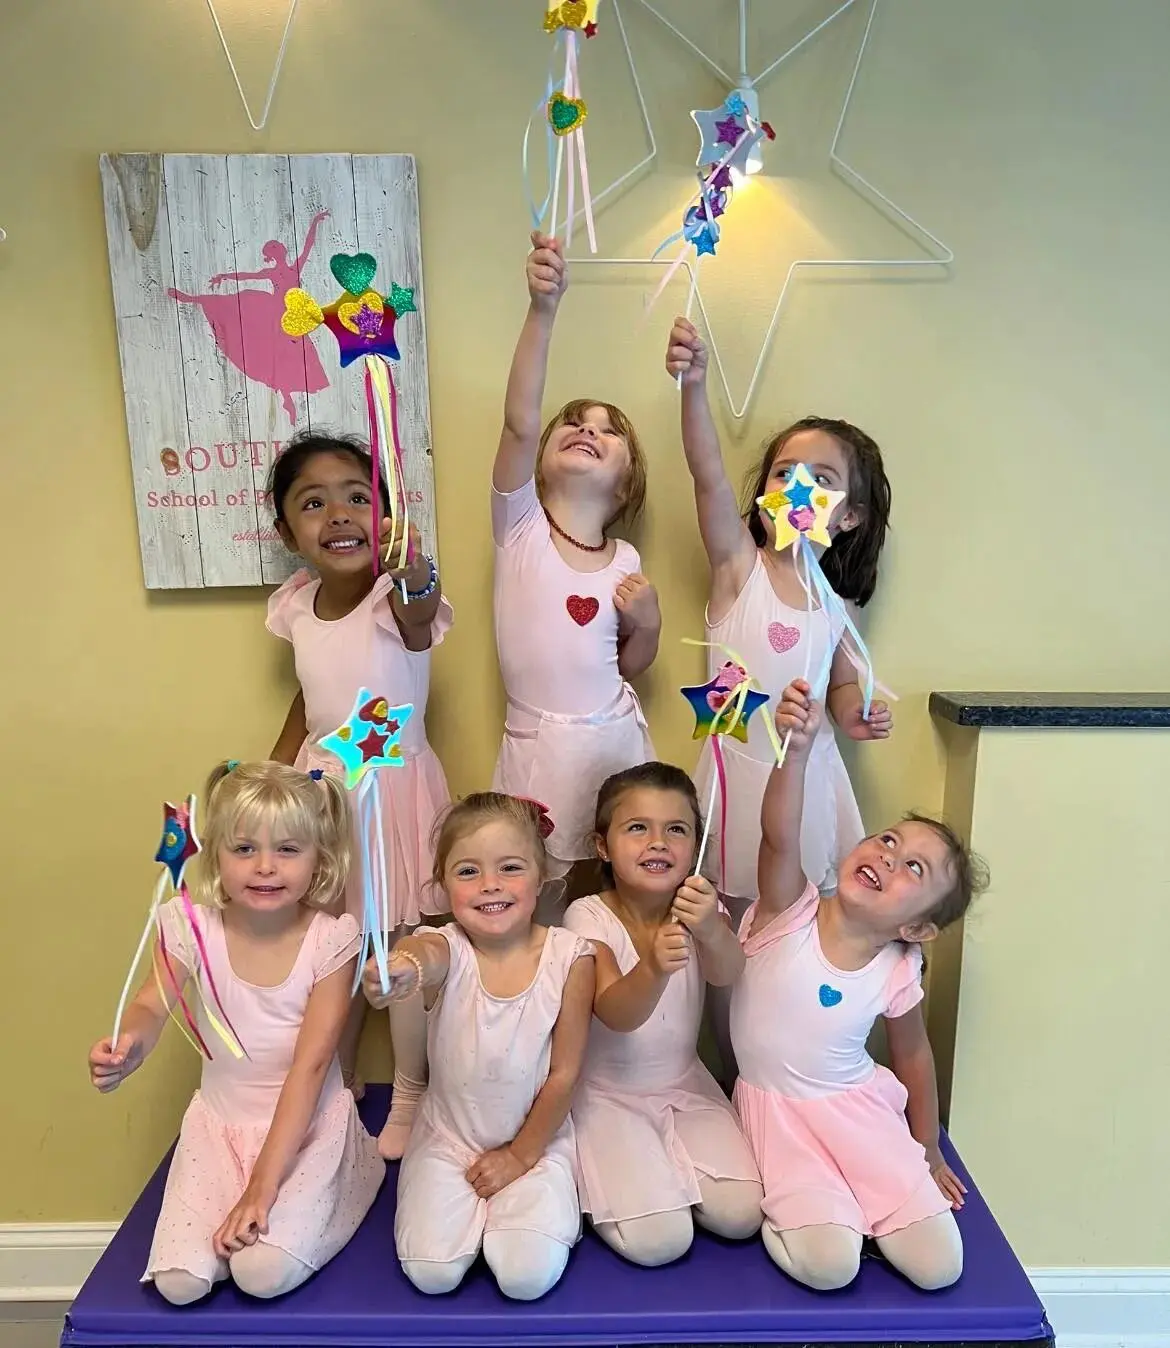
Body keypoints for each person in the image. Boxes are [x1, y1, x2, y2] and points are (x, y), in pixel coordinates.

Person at [666, 316, 893, 1082]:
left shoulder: (838, 607)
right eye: (785, 470)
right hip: (738, 778)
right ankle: (734, 1080)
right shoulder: (740, 568)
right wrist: (694, 386)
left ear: (851, 515)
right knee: (729, 934)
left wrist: (859, 715)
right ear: (763, 490)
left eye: (823, 478)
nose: (799, 485)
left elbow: (844, 687)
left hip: (809, 784)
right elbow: (704, 476)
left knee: (795, 933)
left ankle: (784, 1074)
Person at [88, 761, 383, 1305]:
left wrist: (261, 1190)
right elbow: (153, 1006)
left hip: (305, 1132)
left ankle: (354, 1172)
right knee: (180, 1284)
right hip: (218, 1130)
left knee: (260, 1274)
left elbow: (311, 1066)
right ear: (215, 853)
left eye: (288, 850)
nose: (265, 867)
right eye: (244, 849)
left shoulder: (331, 939)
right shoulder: (188, 927)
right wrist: (130, 1046)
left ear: (320, 859)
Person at [732, 681, 987, 1291]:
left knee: (940, 1267)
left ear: (917, 926)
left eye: (913, 869)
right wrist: (794, 754)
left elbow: (912, 1053)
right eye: (889, 841)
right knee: (829, 1266)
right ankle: (831, 1214)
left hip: (860, 1114)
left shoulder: (898, 966)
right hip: (781, 1117)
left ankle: (868, 1200)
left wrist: (926, 1146)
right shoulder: (787, 910)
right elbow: (779, 837)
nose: (888, 857)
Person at [267, 430, 452, 1159]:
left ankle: (409, 1091)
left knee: (403, 946)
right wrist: (274, 773)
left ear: (384, 516)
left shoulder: (397, 596)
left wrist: (416, 576)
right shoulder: (297, 607)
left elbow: (419, 613)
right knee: (330, 948)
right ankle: (332, 1086)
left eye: (356, 498)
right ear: (288, 533)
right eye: (314, 504)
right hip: (323, 798)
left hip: (395, 790)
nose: (338, 515)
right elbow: (307, 703)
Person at [364, 794, 595, 1301]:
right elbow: (423, 953)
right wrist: (402, 969)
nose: (490, 884)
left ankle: (526, 1210)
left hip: (536, 1140)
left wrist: (519, 1155)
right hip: (448, 1139)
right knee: (432, 1270)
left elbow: (564, 1074)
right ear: (442, 885)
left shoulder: (570, 957)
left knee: (526, 1276)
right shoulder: (449, 945)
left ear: (541, 877)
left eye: (510, 868)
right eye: (468, 871)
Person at [492, 232, 659, 908]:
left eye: (607, 430)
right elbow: (518, 423)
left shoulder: (625, 559)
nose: (588, 428)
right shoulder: (520, 525)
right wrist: (542, 309)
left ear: (625, 487)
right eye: (575, 422)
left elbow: (633, 661)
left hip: (615, 735)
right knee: (536, 886)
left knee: (618, 881)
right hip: (539, 745)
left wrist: (648, 622)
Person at [563, 763, 762, 1266]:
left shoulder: (698, 908)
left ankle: (666, 1168)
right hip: (608, 1094)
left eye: (677, 829)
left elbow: (727, 973)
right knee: (660, 1243)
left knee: (741, 1218)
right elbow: (615, 1013)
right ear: (603, 846)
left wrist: (713, 930)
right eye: (638, 828)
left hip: (684, 1085)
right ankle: (617, 1172)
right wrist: (652, 966)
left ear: (695, 846)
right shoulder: (586, 915)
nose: (658, 842)